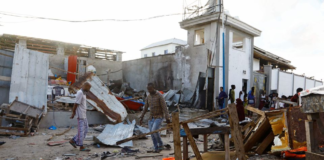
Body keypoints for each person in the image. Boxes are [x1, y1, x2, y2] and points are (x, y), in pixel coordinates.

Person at [139, 83, 171, 153]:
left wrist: (168, 118)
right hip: (151, 117)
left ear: (154, 87)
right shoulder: (148, 97)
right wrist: (141, 117)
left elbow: (165, 108)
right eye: (148, 89)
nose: (149, 90)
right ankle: (156, 148)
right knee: (152, 133)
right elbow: (145, 108)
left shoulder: (160, 96)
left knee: (154, 130)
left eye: (150, 89)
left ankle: (161, 144)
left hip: (159, 117)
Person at [69, 82, 92, 151]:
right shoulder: (80, 93)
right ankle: (81, 146)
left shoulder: (84, 93)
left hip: (83, 115)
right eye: (88, 88)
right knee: (81, 131)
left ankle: (73, 140)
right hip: (80, 115)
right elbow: (76, 104)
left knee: (86, 129)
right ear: (85, 86)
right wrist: (73, 113)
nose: (89, 89)